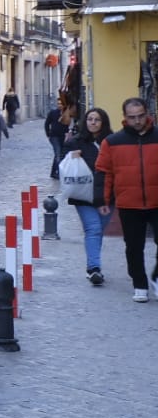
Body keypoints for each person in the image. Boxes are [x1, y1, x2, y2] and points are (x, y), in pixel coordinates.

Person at [93, 97, 158, 302]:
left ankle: (157, 276)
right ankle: (139, 284)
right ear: (124, 118)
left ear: (147, 113)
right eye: (132, 117)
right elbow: (104, 172)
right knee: (133, 246)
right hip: (129, 203)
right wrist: (102, 201)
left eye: (140, 116)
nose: (137, 121)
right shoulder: (112, 142)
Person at [64, 106, 112, 286]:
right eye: (90, 119)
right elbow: (61, 163)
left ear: (103, 122)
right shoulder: (76, 141)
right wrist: (71, 157)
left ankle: (93, 264)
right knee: (93, 229)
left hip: (108, 194)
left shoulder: (111, 141)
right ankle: (94, 269)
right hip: (84, 194)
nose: (93, 123)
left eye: (97, 119)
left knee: (98, 230)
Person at [45, 99, 68, 179]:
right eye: (58, 104)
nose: (59, 105)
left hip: (63, 137)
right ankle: (58, 172)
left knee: (60, 154)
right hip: (54, 136)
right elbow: (47, 123)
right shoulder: (53, 113)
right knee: (58, 153)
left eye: (61, 104)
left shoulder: (67, 113)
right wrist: (48, 134)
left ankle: (53, 172)